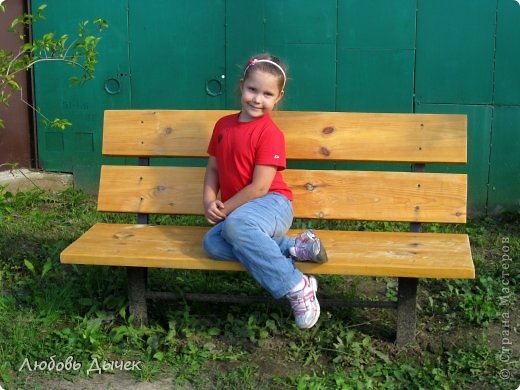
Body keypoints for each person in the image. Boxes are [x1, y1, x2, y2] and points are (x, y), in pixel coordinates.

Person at [202, 54, 328, 329]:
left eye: (267, 94)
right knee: (211, 244)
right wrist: (210, 199)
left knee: (236, 226)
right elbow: (213, 169)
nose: (258, 99)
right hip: (240, 211)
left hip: (273, 204)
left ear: (278, 97)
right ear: (241, 85)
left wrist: (226, 209)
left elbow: (260, 187)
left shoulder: (269, 133)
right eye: (252, 90)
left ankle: (297, 285)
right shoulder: (223, 126)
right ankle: (294, 247)